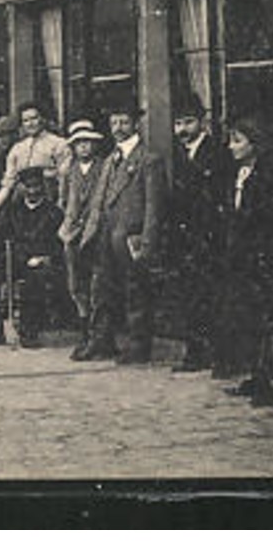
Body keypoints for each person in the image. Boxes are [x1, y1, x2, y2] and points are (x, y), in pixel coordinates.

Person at [218, 117, 273, 405]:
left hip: (267, 259)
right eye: (230, 140)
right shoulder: (239, 172)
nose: (231, 146)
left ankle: (268, 380)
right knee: (249, 318)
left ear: (255, 144)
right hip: (243, 259)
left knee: (269, 319)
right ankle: (256, 375)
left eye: (237, 140)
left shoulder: (272, 175)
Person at [82, 102, 168, 365]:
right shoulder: (110, 160)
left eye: (124, 123)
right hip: (106, 235)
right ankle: (101, 341)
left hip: (131, 236)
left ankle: (138, 346)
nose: (118, 129)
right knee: (102, 289)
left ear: (136, 125)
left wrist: (148, 242)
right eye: (113, 124)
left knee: (135, 291)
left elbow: (155, 206)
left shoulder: (148, 160)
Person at [167, 97, 234, 373]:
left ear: (202, 122)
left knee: (214, 295)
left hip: (211, 237)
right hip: (187, 239)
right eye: (178, 123)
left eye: (188, 122)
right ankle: (195, 351)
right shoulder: (181, 154)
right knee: (190, 296)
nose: (182, 129)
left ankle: (218, 353)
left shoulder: (217, 153)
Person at [0, 167, 66, 348]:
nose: (32, 191)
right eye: (28, 187)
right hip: (12, 258)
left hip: (39, 262)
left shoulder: (53, 213)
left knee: (34, 279)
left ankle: (29, 333)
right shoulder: (12, 210)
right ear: (21, 188)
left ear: (43, 187)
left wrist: (44, 258)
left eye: (36, 186)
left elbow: (57, 244)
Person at [58, 118, 109, 355]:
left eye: (88, 143)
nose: (84, 147)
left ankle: (101, 338)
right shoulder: (69, 171)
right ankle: (85, 334)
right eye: (79, 144)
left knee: (98, 284)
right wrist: (70, 224)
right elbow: (64, 200)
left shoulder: (105, 166)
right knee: (76, 284)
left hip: (97, 231)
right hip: (73, 233)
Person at [0, 101, 69, 227]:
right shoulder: (18, 149)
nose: (30, 123)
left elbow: (65, 179)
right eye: (26, 120)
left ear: (42, 119)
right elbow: (7, 185)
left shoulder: (59, 144)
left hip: (49, 207)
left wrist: (61, 210)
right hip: (22, 208)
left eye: (34, 118)